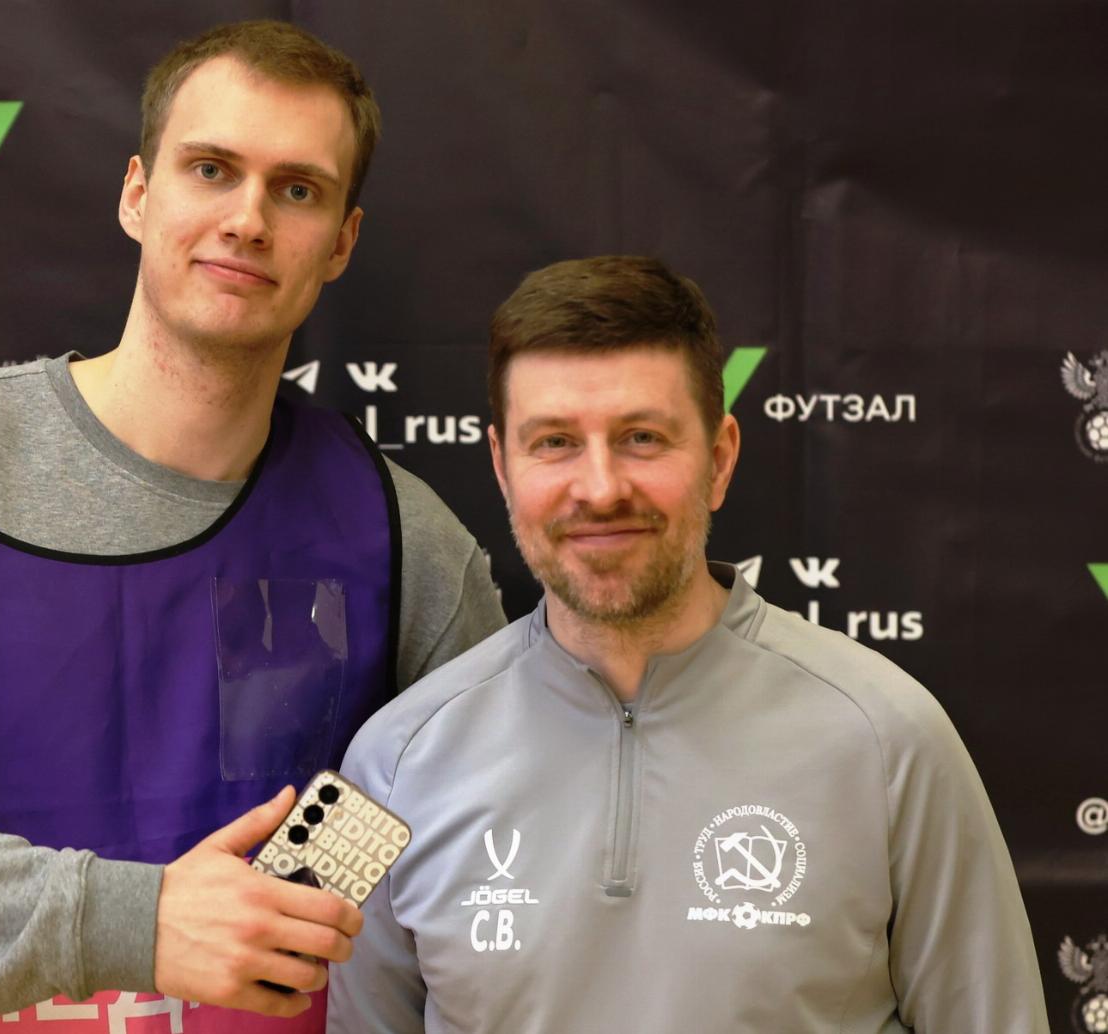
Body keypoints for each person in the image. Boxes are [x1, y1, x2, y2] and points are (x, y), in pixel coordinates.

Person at [0, 20, 505, 1033]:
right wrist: (137, 918)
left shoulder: (398, 539)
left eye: (297, 190)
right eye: (210, 169)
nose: (247, 219)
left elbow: (490, 873)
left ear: (342, 241)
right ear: (137, 193)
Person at [327, 255, 1049, 1033]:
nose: (600, 488)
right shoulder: (387, 765)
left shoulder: (891, 740)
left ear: (720, 458)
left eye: (641, 437)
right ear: (503, 467)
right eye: (556, 442)